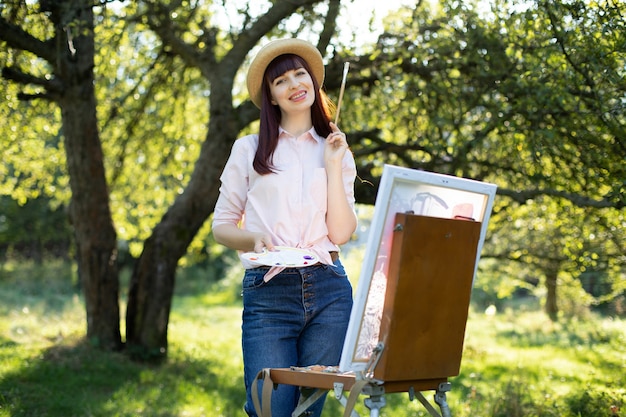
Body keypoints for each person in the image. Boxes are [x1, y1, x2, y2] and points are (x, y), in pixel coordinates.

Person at [212, 38, 358, 417]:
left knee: (308, 411)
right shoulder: (248, 149)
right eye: (281, 81)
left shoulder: (336, 148)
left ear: (312, 82)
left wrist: (331, 163)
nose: (294, 84)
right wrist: (252, 237)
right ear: (271, 96)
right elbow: (221, 227)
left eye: (300, 75)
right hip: (270, 289)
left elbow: (340, 234)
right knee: (270, 409)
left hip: (329, 289)